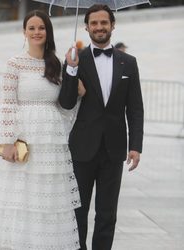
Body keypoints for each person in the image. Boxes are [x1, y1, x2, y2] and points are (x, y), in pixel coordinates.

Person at [0, 10, 82, 250]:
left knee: (48, 196)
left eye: (41, 28)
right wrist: (8, 141)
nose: (37, 32)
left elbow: (64, 107)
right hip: (24, 137)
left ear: (48, 32)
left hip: (50, 142)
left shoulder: (56, 64)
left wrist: (75, 83)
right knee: (22, 196)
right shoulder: (14, 63)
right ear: (24, 32)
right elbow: (8, 103)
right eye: (32, 28)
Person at [59, 4, 144, 250]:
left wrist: (136, 146)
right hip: (82, 148)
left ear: (112, 25)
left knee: (107, 214)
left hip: (114, 150)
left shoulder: (129, 62)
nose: (99, 27)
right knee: (78, 211)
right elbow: (65, 103)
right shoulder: (76, 59)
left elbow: (135, 108)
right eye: (94, 23)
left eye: (103, 23)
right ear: (86, 27)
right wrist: (71, 69)